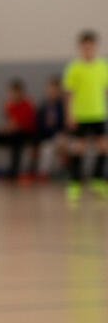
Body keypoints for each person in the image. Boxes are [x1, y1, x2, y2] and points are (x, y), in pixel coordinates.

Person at [63, 30, 108, 203]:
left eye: (91, 46)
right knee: (78, 149)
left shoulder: (103, 66)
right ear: (81, 48)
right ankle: (75, 183)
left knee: (104, 147)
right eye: (85, 47)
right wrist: (70, 114)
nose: (88, 50)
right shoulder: (74, 68)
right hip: (80, 115)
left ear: (95, 47)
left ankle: (98, 181)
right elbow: (70, 95)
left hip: (99, 114)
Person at [28, 75, 67, 180]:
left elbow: (67, 124)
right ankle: (43, 173)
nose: (52, 92)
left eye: (55, 90)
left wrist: (61, 131)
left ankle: (64, 170)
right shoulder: (43, 105)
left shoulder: (64, 105)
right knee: (46, 148)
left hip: (61, 136)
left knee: (61, 142)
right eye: (50, 89)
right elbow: (38, 125)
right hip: (47, 137)